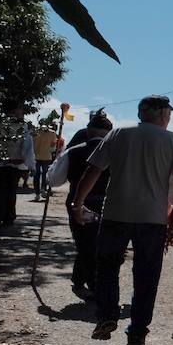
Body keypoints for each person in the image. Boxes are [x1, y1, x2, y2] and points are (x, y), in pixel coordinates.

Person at [73, 95, 173, 345]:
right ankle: (137, 333)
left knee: (106, 268)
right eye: (168, 113)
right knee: (147, 276)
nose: (170, 117)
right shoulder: (172, 140)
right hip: (152, 220)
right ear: (161, 115)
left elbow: (93, 170)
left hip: (116, 214)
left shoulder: (117, 134)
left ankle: (106, 317)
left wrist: (77, 203)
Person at [47, 110, 113, 300]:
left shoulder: (73, 151)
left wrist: (53, 165)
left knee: (84, 243)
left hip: (77, 202)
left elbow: (54, 180)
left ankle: (87, 281)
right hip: (108, 203)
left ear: (88, 131)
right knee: (97, 244)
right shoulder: (118, 153)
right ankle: (89, 282)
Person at [32, 123, 57, 200]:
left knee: (36, 175)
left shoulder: (35, 132)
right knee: (44, 174)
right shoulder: (52, 133)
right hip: (47, 156)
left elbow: (31, 144)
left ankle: (37, 193)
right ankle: (43, 188)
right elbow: (53, 147)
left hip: (36, 156)